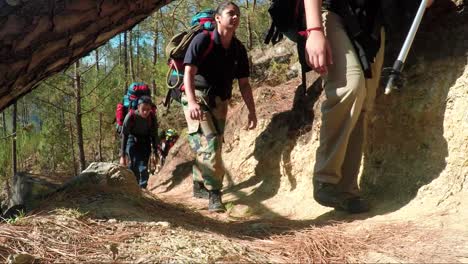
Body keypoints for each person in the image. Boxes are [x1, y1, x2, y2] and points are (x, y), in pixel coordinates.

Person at [303, 0, 433, 213]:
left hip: (371, 25)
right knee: (350, 87)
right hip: (334, 13)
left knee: (363, 104)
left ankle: (346, 190)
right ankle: (325, 178)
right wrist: (315, 30)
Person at [182, 1, 257, 212]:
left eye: (238, 14)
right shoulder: (202, 40)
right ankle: (215, 194)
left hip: (220, 100)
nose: (235, 17)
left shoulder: (238, 49)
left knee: (213, 143)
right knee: (211, 142)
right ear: (217, 18)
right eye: (230, 13)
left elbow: (244, 83)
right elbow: (188, 73)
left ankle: (199, 183)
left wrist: (251, 110)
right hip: (196, 96)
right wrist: (193, 102)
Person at [119, 95, 159, 189]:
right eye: (143, 109)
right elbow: (124, 135)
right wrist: (122, 155)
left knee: (143, 167)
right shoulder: (131, 116)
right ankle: (134, 188)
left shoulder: (152, 117)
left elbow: (154, 134)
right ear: (138, 107)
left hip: (145, 141)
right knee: (133, 165)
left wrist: (155, 151)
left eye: (148, 109)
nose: (145, 112)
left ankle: (142, 189)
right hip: (131, 140)